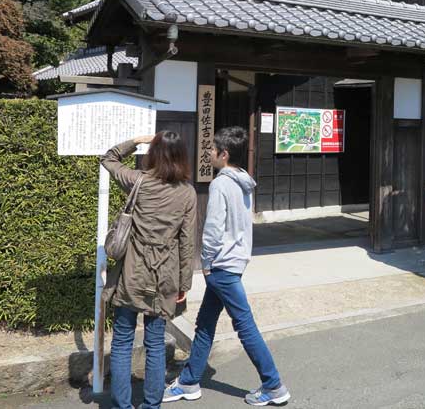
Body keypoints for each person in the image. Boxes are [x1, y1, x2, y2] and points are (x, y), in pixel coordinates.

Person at [163, 126, 290, 406]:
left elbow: (212, 230)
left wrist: (207, 264)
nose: (209, 152)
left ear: (224, 154)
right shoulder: (244, 180)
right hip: (235, 261)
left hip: (221, 266)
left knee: (245, 326)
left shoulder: (221, 183)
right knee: (206, 323)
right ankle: (189, 381)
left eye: (213, 149)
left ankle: (274, 385)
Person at [101, 132, 197, 409]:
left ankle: (122, 405)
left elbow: (109, 158)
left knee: (122, 341)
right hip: (165, 272)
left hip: (132, 269)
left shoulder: (138, 182)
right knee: (155, 343)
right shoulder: (187, 192)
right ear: (182, 156)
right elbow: (186, 243)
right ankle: (152, 405)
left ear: (154, 153)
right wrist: (184, 285)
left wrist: (136, 141)